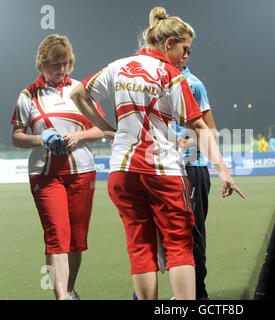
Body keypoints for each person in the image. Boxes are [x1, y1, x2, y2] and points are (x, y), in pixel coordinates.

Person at [70, 7, 245, 300]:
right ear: (169, 43)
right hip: (162, 172)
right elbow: (200, 127)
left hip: (122, 173)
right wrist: (224, 172)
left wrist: (107, 129)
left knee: (140, 248)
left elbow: (78, 94)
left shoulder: (117, 66)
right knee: (179, 246)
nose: (187, 55)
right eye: (184, 48)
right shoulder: (172, 76)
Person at [10, 34, 104, 300]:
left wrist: (80, 136)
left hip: (82, 173)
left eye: (65, 64)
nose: (61, 70)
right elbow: (16, 137)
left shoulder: (80, 90)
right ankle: (61, 296)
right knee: (56, 237)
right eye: (55, 65)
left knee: (76, 241)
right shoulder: (27, 95)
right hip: (46, 175)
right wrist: (42, 138)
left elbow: (101, 129)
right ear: (42, 65)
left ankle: (70, 289)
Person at [171, 55, 216, 300]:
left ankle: (199, 295)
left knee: (193, 233)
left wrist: (185, 142)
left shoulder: (194, 85)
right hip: (163, 168)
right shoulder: (157, 81)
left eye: (188, 49)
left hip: (191, 167)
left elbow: (211, 131)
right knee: (169, 235)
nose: (186, 54)